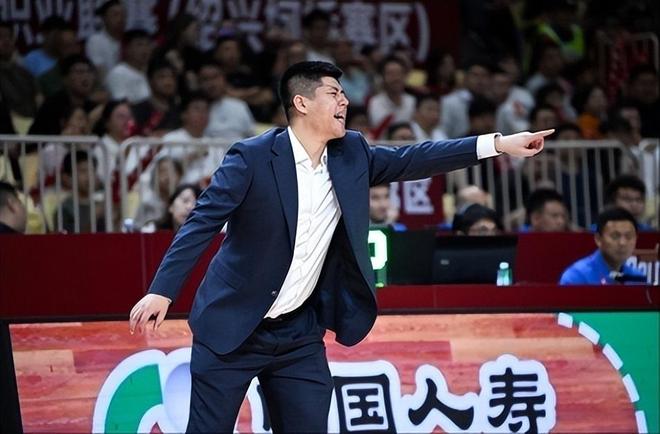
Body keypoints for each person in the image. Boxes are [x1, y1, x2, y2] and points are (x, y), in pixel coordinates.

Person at [129, 61, 552, 432]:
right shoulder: (252, 158)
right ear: (301, 103)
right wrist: (162, 289)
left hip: (298, 333)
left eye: (344, 93)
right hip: (232, 325)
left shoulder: (352, 153)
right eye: (334, 93)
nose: (345, 101)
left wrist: (498, 144)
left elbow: (416, 158)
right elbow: (201, 222)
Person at [559, 208, 646, 284]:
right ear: (598, 239)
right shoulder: (577, 277)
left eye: (628, 236)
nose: (622, 243)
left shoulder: (637, 277)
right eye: (615, 236)